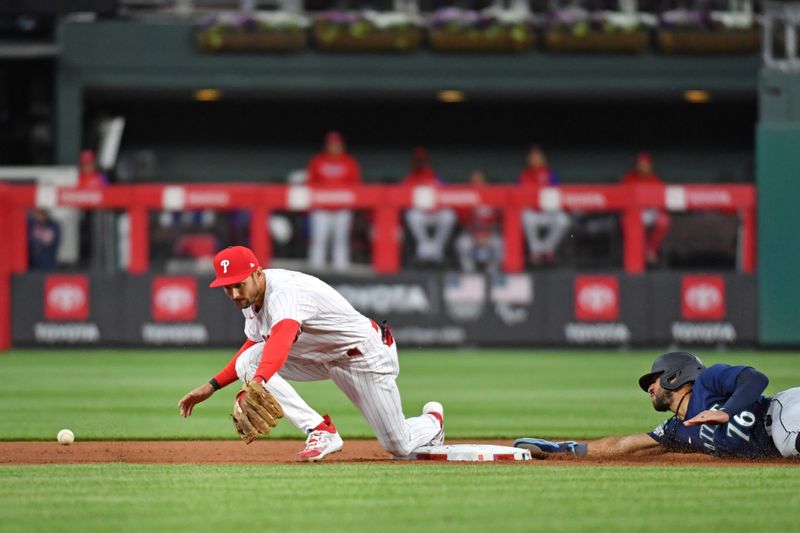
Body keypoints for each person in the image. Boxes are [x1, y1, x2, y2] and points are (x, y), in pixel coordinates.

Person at [178, 246, 444, 460]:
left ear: (258, 274)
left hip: (364, 356)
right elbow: (253, 345)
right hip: (321, 358)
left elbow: (281, 340)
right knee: (249, 361)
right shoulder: (250, 299)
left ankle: (433, 421)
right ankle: (320, 430)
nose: (234, 293)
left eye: (239, 284)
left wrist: (258, 383)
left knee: (399, 446)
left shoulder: (285, 293)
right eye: (227, 287)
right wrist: (212, 386)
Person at [516, 351, 800, 460]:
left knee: (791, 441)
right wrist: (563, 448)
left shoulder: (709, 382)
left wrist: (724, 411)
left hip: (785, 410)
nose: (650, 389)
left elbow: (755, 378)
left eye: (654, 381)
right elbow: (626, 445)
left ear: (675, 376)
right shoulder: (678, 430)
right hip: (778, 442)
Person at [305, 131, 362, 271]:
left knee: (341, 239)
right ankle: (315, 270)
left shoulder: (349, 162)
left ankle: (341, 270)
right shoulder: (317, 161)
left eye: (337, 144)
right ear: (326, 146)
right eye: (331, 144)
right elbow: (310, 183)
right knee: (319, 239)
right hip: (321, 207)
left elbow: (356, 185)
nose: (334, 147)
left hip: (342, 207)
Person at [403, 148, 457, 265]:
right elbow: (402, 197)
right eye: (417, 160)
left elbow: (446, 193)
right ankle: (425, 247)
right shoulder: (410, 178)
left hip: (436, 213)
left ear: (425, 161)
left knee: (449, 215)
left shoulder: (435, 176)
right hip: (421, 214)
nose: (419, 163)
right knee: (412, 215)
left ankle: (436, 248)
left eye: (421, 160)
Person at [519, 145, 570, 266]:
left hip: (548, 211)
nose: (535, 159)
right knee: (525, 217)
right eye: (532, 157)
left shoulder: (551, 173)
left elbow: (558, 192)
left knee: (564, 220)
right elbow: (518, 195)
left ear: (543, 158)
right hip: (533, 212)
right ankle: (536, 251)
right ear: (528, 160)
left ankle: (547, 248)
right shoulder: (524, 175)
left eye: (537, 157)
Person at [621, 152, 670, 266]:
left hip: (650, 212)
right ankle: (640, 253)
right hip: (632, 212)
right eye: (640, 164)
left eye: (645, 164)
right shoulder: (629, 179)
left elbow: (662, 203)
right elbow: (621, 198)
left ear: (649, 165)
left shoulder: (656, 181)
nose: (642, 166)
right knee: (627, 222)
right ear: (636, 165)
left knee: (664, 221)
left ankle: (650, 250)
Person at [454, 170, 503, 273]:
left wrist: (486, 235)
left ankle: (492, 272)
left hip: (489, 234)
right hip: (472, 235)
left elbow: (498, 220)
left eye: (479, 180)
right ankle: (469, 272)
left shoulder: (493, 195)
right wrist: (475, 235)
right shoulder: (466, 196)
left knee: (500, 244)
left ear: (484, 181)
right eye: (474, 181)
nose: (477, 183)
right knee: (462, 244)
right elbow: (464, 220)